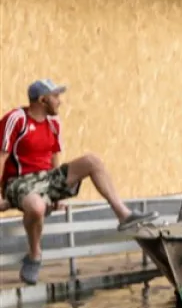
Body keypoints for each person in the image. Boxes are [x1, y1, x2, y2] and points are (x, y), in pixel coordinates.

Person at [1, 80, 157, 284]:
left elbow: (54, 160)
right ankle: (35, 255)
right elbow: (2, 157)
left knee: (92, 161)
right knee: (37, 207)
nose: (60, 101)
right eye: (56, 96)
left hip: (46, 179)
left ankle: (123, 214)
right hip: (19, 181)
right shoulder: (16, 119)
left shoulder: (54, 123)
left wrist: (55, 193)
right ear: (42, 100)